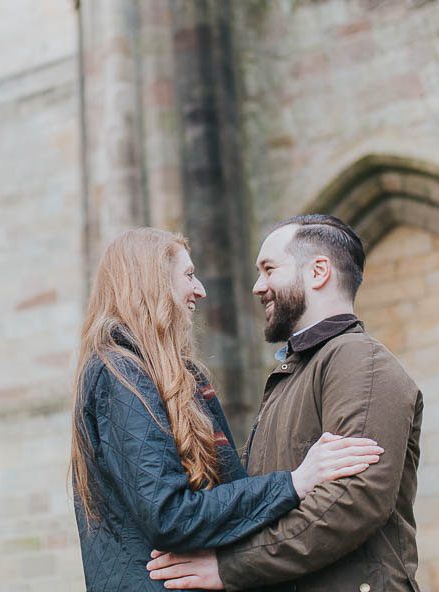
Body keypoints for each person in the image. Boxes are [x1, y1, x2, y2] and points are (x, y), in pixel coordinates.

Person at [72, 227, 384, 590]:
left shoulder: (176, 376)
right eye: (188, 275)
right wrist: (295, 482)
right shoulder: (118, 372)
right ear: (151, 281)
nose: (200, 290)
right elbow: (169, 515)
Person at [147, 214, 424, 591]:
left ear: (318, 272)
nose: (258, 286)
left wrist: (230, 567)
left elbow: (353, 500)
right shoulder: (291, 374)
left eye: (269, 269)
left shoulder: (360, 360)